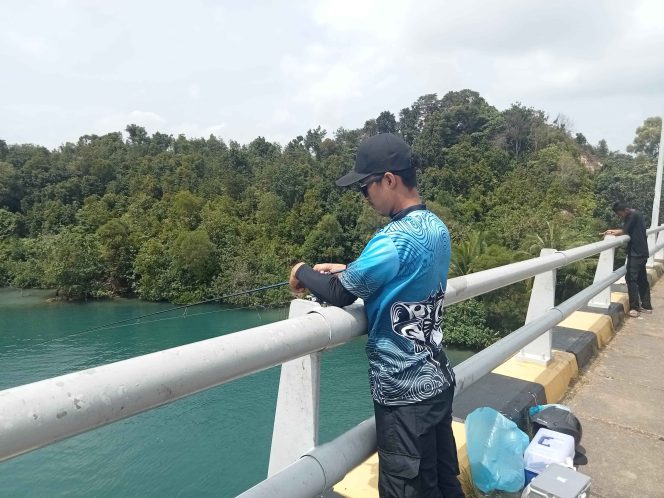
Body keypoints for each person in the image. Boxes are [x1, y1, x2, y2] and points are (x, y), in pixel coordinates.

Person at [289, 133, 464, 497]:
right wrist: (350, 267)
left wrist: (302, 271)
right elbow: (398, 275)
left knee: (407, 490)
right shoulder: (436, 228)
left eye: (365, 187)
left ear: (388, 180)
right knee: (445, 485)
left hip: (403, 393)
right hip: (437, 382)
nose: (365, 196)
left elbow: (338, 293)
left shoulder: (392, 239)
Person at [603, 201, 652, 317]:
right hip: (642, 251)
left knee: (631, 279)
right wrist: (613, 231)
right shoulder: (637, 214)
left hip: (636, 253)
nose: (620, 217)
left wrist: (610, 232)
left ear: (625, 210)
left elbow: (623, 231)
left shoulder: (632, 216)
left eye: (620, 215)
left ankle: (634, 308)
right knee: (641, 279)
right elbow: (626, 230)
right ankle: (646, 306)